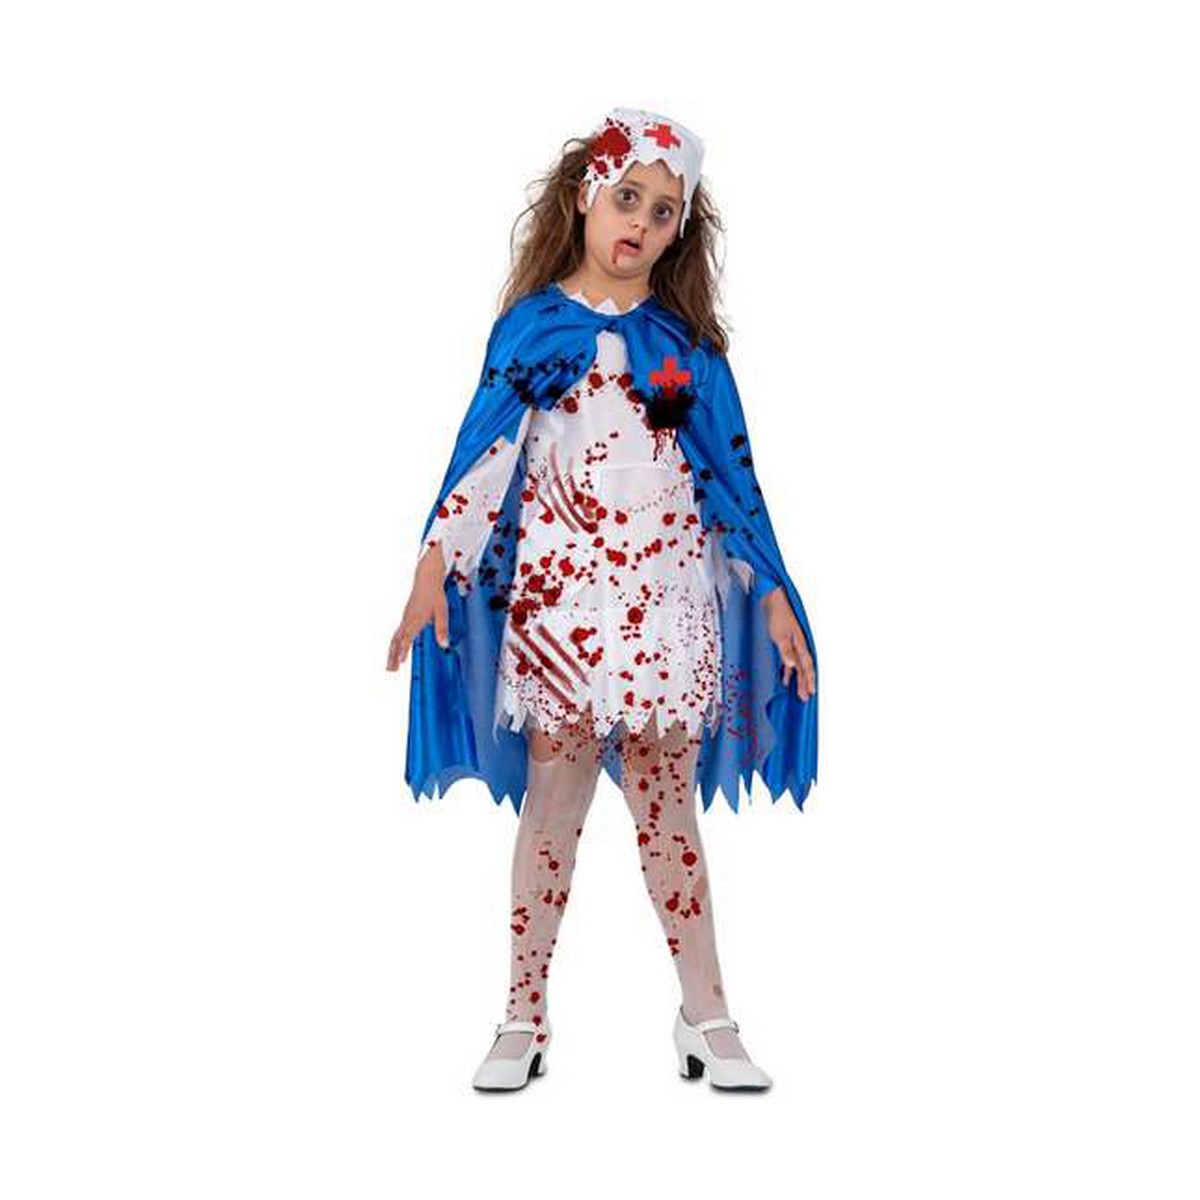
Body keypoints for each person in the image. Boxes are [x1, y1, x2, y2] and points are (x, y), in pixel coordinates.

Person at [386, 107, 818, 1092]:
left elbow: (718, 480)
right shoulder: (534, 332)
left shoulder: (677, 348)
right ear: (586, 194)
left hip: (664, 608)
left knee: (669, 813)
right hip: (564, 609)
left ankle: (706, 1014)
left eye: (665, 211)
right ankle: (522, 1013)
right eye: (629, 197)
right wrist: (430, 567)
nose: (642, 222)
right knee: (553, 807)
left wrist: (770, 591)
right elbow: (485, 463)